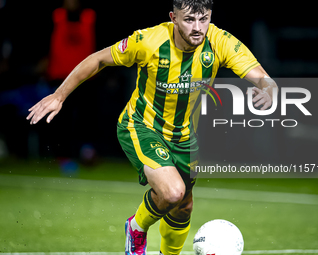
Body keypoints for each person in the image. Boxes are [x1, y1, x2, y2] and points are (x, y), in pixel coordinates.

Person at [27, 0, 277, 254]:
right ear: (173, 18)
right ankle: (136, 227)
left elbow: (262, 77)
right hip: (142, 126)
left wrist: (268, 89)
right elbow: (98, 59)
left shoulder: (221, 41)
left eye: (204, 19)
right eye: (189, 20)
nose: (198, 28)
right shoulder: (149, 41)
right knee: (172, 193)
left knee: (183, 206)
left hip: (184, 137)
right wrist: (59, 95)